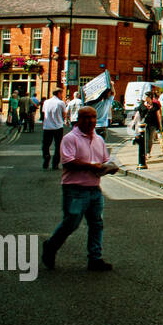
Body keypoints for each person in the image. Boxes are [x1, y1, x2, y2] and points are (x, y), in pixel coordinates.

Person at [41, 105, 118, 272]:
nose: (90, 121)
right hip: (74, 189)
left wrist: (109, 168)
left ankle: (95, 259)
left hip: (95, 189)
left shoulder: (99, 140)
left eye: (93, 117)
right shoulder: (70, 138)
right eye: (86, 117)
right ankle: (50, 246)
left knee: (97, 224)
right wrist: (92, 166)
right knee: (71, 223)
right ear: (78, 120)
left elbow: (104, 161)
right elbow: (68, 162)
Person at [41, 87, 67, 170]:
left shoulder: (46, 102)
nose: (62, 95)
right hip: (58, 127)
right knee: (58, 146)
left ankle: (46, 157)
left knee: (46, 145)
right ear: (58, 93)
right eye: (61, 93)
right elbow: (64, 115)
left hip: (47, 127)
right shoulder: (61, 103)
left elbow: (44, 113)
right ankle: (55, 164)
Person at [134, 92, 161, 169]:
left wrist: (160, 125)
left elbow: (158, 115)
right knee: (145, 138)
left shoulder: (155, 105)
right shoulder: (142, 105)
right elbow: (137, 114)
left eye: (146, 96)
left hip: (153, 124)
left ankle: (148, 152)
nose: (144, 97)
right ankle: (145, 154)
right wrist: (134, 122)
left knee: (150, 139)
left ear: (150, 97)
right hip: (144, 125)